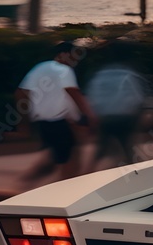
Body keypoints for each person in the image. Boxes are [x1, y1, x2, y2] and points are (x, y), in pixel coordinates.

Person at [14, 40, 96, 185]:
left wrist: (24, 121)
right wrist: (90, 115)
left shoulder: (40, 68)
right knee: (70, 158)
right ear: (63, 54)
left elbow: (20, 93)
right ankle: (67, 191)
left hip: (44, 122)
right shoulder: (64, 70)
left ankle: (27, 182)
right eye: (73, 56)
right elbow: (73, 92)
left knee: (55, 157)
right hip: (59, 121)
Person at [85, 40, 152, 170]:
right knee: (128, 148)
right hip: (125, 118)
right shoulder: (130, 73)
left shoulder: (100, 74)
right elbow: (137, 98)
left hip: (106, 118)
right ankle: (133, 173)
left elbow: (92, 97)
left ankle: (88, 173)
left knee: (101, 149)